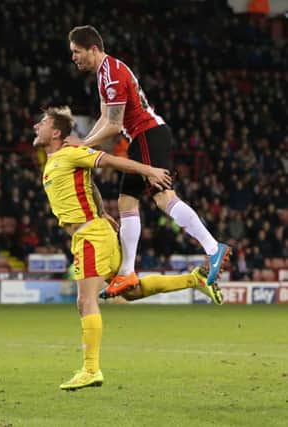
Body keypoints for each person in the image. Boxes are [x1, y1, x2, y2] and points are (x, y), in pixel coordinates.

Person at [33, 107, 223, 391]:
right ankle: (194, 279)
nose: (37, 126)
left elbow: (111, 161)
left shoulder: (70, 153)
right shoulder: (54, 162)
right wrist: (102, 211)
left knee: (85, 302)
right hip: (96, 232)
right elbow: (90, 184)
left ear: (57, 133)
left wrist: (149, 170)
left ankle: (90, 369)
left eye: (43, 123)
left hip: (90, 237)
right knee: (130, 291)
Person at [65, 25, 230, 295]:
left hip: (147, 135)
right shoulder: (106, 72)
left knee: (163, 198)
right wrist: (83, 146)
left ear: (93, 49)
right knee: (126, 201)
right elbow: (105, 119)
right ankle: (127, 274)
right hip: (145, 137)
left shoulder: (111, 76)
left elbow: (115, 125)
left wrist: (82, 145)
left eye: (76, 51)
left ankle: (213, 248)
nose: (73, 57)